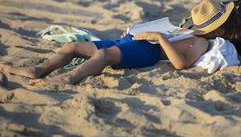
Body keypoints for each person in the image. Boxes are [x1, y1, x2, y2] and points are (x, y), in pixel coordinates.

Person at [0, 25, 210, 88]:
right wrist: (134, 32)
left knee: (104, 54)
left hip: (150, 50)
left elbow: (181, 64)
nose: (196, 23)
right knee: (72, 46)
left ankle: (67, 78)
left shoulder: (201, 41)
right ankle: (39, 69)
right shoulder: (189, 28)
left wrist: (160, 37)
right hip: (133, 40)